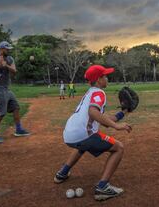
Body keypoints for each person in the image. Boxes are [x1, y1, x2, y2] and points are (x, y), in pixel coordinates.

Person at [54, 65, 132, 201]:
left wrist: (123, 112)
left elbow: (102, 119)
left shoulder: (90, 92)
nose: (107, 78)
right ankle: (103, 187)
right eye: (105, 76)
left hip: (69, 134)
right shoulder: (99, 93)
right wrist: (117, 126)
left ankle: (62, 173)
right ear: (98, 80)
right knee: (119, 147)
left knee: (82, 146)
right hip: (84, 134)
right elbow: (93, 112)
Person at [0, 41, 30, 143]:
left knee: (16, 107)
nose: (9, 50)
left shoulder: (10, 59)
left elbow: (14, 71)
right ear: (1, 49)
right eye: (7, 49)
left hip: (6, 89)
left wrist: (6, 65)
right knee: (1, 112)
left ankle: (18, 130)